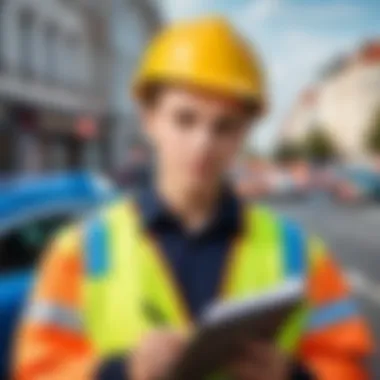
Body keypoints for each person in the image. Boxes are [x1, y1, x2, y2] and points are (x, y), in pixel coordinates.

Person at [14, 16, 373, 380]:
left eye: (224, 126)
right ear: (149, 120)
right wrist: (122, 372)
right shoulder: (76, 254)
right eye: (185, 119)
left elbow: (348, 367)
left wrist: (292, 375)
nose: (203, 144)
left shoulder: (300, 255)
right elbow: (37, 371)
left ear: (244, 134)